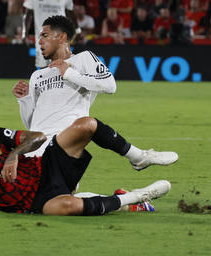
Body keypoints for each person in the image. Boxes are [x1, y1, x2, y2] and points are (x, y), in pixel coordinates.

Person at [0, 110, 171, 216]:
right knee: (69, 205)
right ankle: (136, 197)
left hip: (46, 166)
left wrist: (14, 154)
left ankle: (137, 157)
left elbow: (38, 137)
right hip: (34, 202)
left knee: (87, 125)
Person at [12, 15, 178, 173]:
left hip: (67, 143)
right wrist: (24, 100)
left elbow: (110, 86)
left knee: (58, 199)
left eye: (45, 35)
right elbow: (32, 126)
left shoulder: (84, 59)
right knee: (62, 201)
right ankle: (131, 199)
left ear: (62, 38)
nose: (39, 41)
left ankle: (138, 160)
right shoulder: (37, 76)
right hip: (35, 148)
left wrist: (69, 74)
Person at [22, 0, 79, 68]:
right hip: (42, 37)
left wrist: (77, 30)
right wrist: (24, 33)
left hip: (60, 36)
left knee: (62, 62)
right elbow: (28, 14)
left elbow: (70, 12)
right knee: (43, 66)